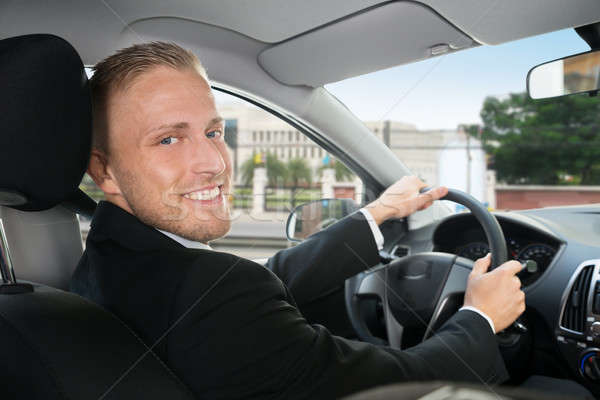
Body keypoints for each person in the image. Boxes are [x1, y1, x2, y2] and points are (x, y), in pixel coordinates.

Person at [70, 42, 526, 399]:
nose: (212, 162)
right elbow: (394, 387)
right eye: (168, 139)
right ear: (104, 170)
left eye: (213, 132)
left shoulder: (111, 257)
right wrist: (480, 317)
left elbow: (256, 286)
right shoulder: (208, 298)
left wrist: (377, 214)